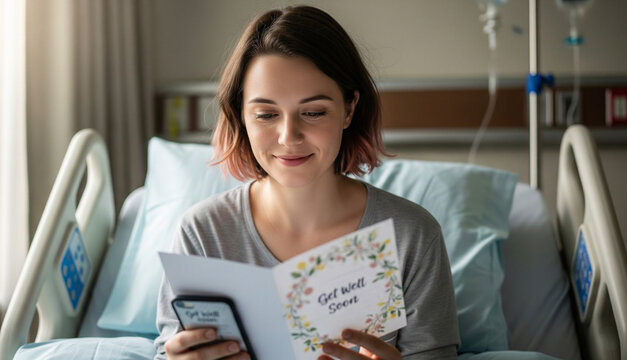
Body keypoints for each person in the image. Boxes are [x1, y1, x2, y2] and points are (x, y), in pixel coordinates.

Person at [154, 5, 459, 360]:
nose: (288, 136)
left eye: (313, 112)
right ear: (241, 115)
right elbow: (170, 350)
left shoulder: (411, 236)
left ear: (349, 109)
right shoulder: (203, 234)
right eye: (266, 114)